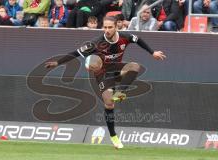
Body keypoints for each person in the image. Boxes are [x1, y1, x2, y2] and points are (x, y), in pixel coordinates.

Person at [45, 16, 166, 149]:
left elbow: (139, 40)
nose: (107, 30)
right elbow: (76, 53)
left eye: (110, 27)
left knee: (135, 67)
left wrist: (152, 52)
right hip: (103, 74)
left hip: (116, 69)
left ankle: (120, 92)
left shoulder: (125, 37)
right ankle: (114, 136)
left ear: (116, 27)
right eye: (105, 27)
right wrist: (57, 62)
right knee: (109, 103)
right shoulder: (95, 43)